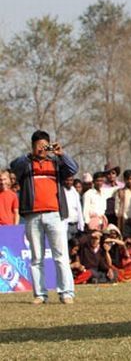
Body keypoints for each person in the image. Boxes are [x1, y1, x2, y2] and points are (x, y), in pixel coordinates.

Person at [10, 130, 78, 304]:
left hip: (54, 214)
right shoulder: (26, 164)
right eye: (38, 145)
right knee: (37, 257)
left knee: (60, 255)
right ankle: (40, 295)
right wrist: (30, 155)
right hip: (33, 216)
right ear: (33, 146)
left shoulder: (56, 163)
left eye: (44, 145)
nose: (42, 148)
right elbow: (13, 166)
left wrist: (61, 154)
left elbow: (73, 169)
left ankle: (66, 292)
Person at [61, 175, 84, 240]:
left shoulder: (75, 193)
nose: (69, 182)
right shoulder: (61, 192)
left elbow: (79, 210)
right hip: (66, 225)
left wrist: (81, 223)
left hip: (76, 225)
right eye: (67, 180)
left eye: (71, 180)